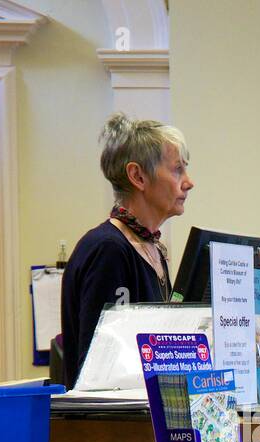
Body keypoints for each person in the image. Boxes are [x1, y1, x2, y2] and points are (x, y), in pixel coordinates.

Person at [59, 113, 194, 387]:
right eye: (177, 169)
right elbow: (101, 368)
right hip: (112, 425)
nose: (188, 182)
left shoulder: (153, 249)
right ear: (138, 176)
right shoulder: (108, 250)